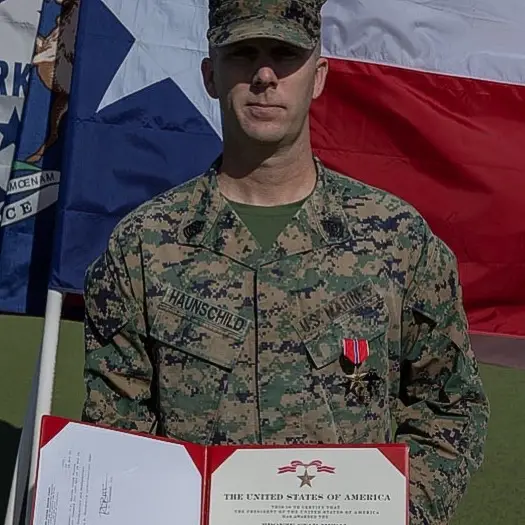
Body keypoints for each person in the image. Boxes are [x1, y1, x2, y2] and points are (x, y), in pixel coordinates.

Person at [82, 0, 490, 523]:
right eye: (243, 54)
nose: (265, 76)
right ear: (210, 74)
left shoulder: (397, 240)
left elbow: (448, 408)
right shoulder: (144, 247)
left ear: (318, 76)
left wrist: (400, 510)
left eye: (285, 55)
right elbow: (116, 431)